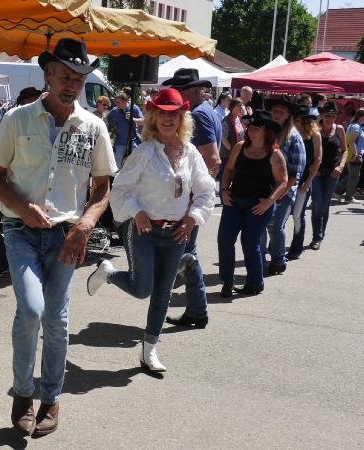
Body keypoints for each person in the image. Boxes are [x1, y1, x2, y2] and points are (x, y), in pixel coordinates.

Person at [0, 38, 116, 438]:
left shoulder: (93, 126)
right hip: (20, 231)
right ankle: (23, 394)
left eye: (78, 78)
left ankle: (52, 399)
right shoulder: (17, 119)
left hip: (67, 237)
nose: (71, 85)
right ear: (47, 74)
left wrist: (85, 225)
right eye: (64, 76)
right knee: (31, 309)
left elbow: (102, 187)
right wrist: (22, 207)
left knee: (57, 321)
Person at [86, 88, 214, 372]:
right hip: (143, 229)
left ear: (182, 118)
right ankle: (108, 273)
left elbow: (206, 191)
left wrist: (192, 218)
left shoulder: (191, 153)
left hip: (177, 233)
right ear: (154, 117)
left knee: (163, 294)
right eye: (162, 114)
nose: (168, 119)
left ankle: (149, 350)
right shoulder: (145, 152)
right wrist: (138, 212)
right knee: (143, 288)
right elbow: (120, 188)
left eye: (174, 114)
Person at [160, 68, 221, 330]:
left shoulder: (198, 115)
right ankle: (197, 309)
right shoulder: (206, 111)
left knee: (186, 253)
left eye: (180, 90)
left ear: (193, 91)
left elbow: (213, 159)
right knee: (187, 253)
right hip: (192, 199)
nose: (175, 95)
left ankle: (198, 310)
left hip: (191, 201)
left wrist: (191, 197)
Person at [217, 110, 288, 297]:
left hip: (259, 205)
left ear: (266, 131)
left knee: (250, 242)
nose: (251, 131)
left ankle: (255, 283)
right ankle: (227, 281)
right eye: (250, 127)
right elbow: (228, 170)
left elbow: (283, 181)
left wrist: (270, 200)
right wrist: (224, 190)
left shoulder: (274, 154)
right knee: (225, 240)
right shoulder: (239, 147)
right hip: (234, 201)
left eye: (256, 128)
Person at [261, 96, 305, 276]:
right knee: (262, 225)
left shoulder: (294, 137)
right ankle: (260, 258)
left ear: (288, 116)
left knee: (275, 226)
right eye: (275, 111)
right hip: (264, 188)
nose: (277, 114)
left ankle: (279, 261)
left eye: (281, 112)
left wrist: (281, 193)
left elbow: (296, 173)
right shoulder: (267, 134)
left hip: (285, 192)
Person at [309, 102, 347, 250]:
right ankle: (316, 237)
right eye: (327, 116)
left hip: (333, 172)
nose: (330, 118)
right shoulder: (315, 129)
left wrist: (341, 166)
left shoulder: (339, 129)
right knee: (317, 202)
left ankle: (319, 235)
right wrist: (312, 166)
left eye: (333, 116)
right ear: (322, 116)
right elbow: (308, 150)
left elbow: (345, 150)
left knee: (324, 204)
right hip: (317, 172)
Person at [286, 106, 322, 260]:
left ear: (306, 121)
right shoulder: (290, 134)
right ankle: (276, 244)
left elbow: (318, 160)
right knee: (283, 214)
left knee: (297, 215)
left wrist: (308, 182)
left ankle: (296, 247)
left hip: (304, 179)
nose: (295, 122)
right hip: (288, 179)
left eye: (298, 119)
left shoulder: (315, 135)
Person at [335, 108, 364, 204]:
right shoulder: (356, 127)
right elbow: (351, 141)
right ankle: (349, 197)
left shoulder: (353, 126)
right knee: (354, 176)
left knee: (350, 175)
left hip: (351, 155)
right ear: (361, 116)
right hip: (354, 155)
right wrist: (356, 154)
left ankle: (338, 192)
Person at [107, 91, 144, 169]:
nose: (116, 104)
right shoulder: (114, 111)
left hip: (133, 142)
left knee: (135, 166)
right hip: (120, 143)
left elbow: (143, 122)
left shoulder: (134, 108)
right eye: (115, 102)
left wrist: (133, 119)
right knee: (118, 166)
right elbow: (107, 121)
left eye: (118, 102)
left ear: (125, 101)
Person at [219, 98, 246, 180]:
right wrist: (233, 150)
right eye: (239, 105)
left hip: (238, 154)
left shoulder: (240, 119)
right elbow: (223, 138)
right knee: (226, 178)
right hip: (227, 156)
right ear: (233, 107)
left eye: (242, 105)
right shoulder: (226, 121)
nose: (241, 107)